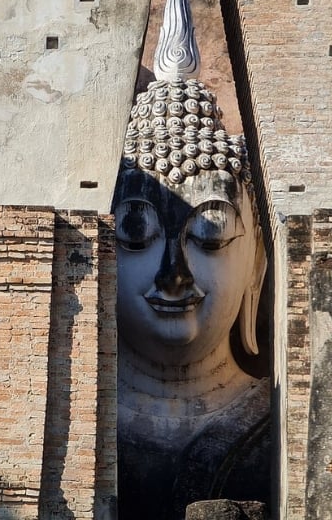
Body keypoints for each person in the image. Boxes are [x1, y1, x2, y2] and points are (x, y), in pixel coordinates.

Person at [113, 77, 271, 520]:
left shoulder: (287, 423)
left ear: (256, 262)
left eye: (211, 235)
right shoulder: (67, 425)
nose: (174, 275)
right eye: (136, 233)